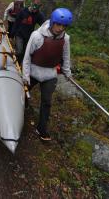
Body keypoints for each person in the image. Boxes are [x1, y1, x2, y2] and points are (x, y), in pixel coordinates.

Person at [22, 8, 73, 141]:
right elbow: (27, 57)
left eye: (64, 26)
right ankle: (23, 105)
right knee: (22, 92)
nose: (60, 28)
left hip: (50, 73)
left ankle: (41, 129)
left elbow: (66, 57)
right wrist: (25, 75)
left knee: (46, 102)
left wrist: (68, 73)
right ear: (52, 22)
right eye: (58, 24)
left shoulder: (65, 39)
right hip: (33, 71)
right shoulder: (37, 36)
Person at [11, 0, 45, 64]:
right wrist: (12, 35)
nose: (35, 8)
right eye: (35, 5)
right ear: (31, 3)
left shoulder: (38, 15)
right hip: (19, 35)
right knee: (19, 51)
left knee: (25, 53)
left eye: (38, 6)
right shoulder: (23, 11)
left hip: (29, 36)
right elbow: (16, 23)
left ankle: (20, 65)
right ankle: (15, 63)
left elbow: (43, 24)